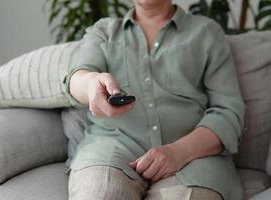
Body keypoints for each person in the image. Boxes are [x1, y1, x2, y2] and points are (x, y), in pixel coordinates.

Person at [62, 0, 246, 199]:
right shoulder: (103, 31)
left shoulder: (207, 32)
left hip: (194, 158)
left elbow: (228, 111)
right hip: (111, 149)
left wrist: (179, 152)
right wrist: (90, 83)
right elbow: (77, 77)